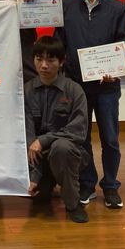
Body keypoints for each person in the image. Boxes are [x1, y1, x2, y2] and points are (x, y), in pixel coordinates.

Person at [54, 0, 125, 210]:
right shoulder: (65, 7)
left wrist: (114, 69)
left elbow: (124, 44)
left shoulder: (117, 8)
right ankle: (87, 184)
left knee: (110, 138)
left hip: (107, 86)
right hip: (76, 87)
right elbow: (59, 45)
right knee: (81, 137)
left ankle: (110, 186)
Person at [25, 36, 89, 223]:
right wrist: (34, 175)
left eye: (51, 60)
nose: (44, 65)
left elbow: (77, 132)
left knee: (61, 147)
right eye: (39, 59)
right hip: (37, 157)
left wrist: (44, 140)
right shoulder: (27, 91)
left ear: (61, 62)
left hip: (67, 154)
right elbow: (28, 134)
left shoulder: (74, 91)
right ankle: (45, 183)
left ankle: (73, 204)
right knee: (38, 196)